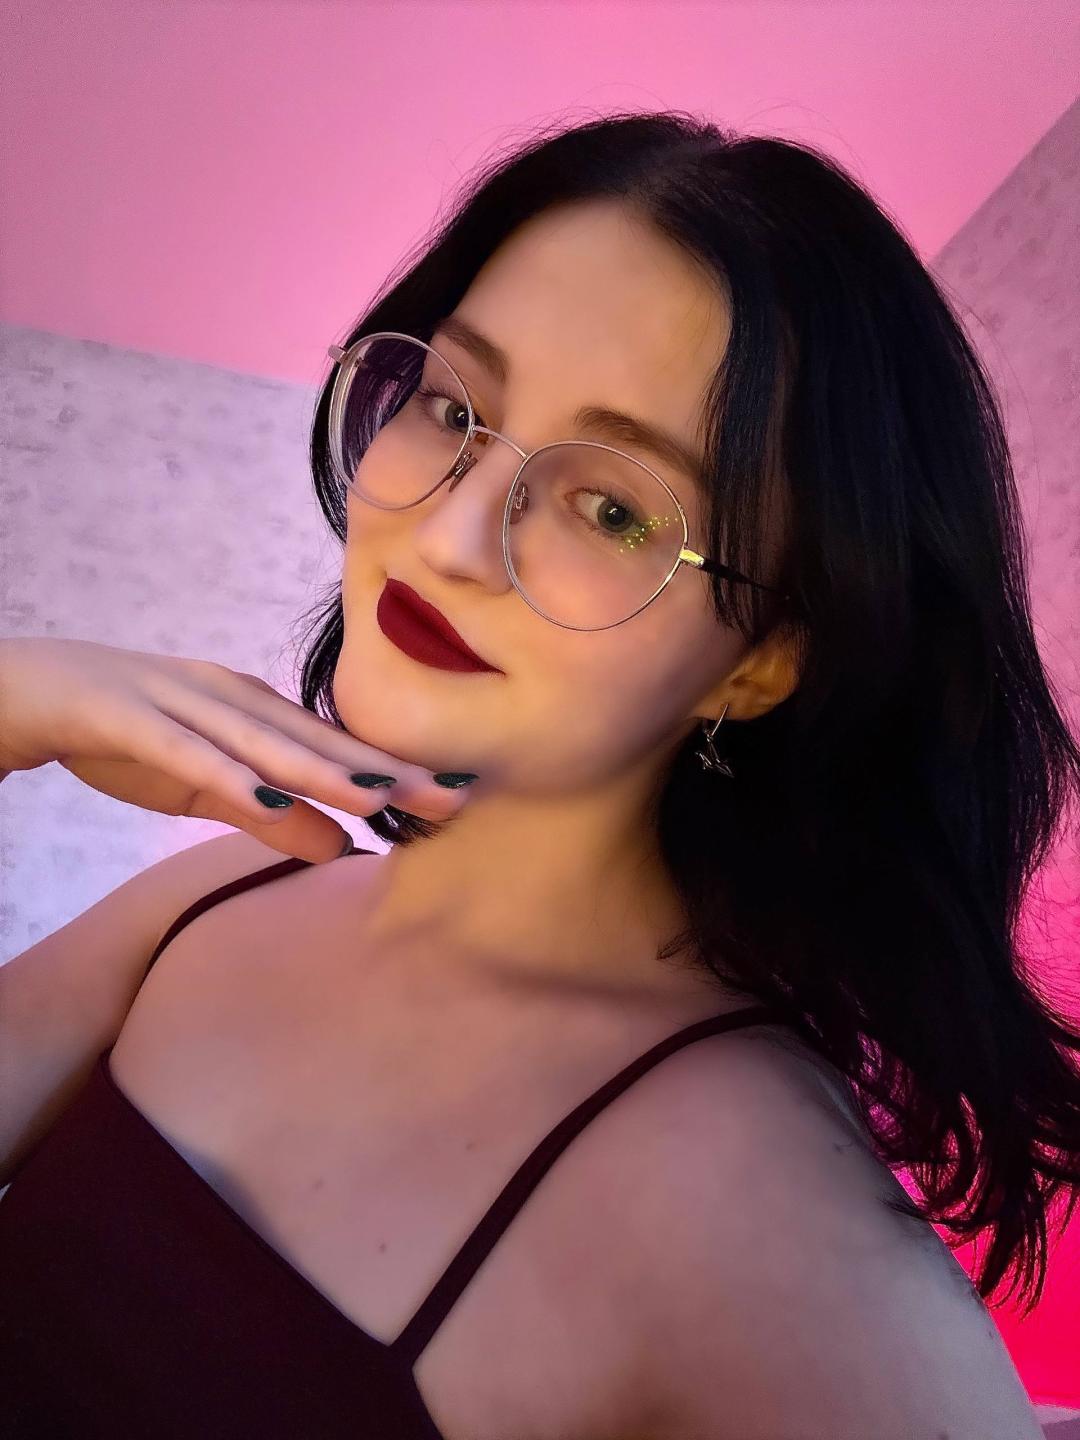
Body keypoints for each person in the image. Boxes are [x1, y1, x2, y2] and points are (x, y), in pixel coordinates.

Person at [0, 109, 1075, 1439]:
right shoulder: (213, 899)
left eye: (612, 507)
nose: (450, 536)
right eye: (453, 407)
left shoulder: (761, 1225)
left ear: (762, 662)